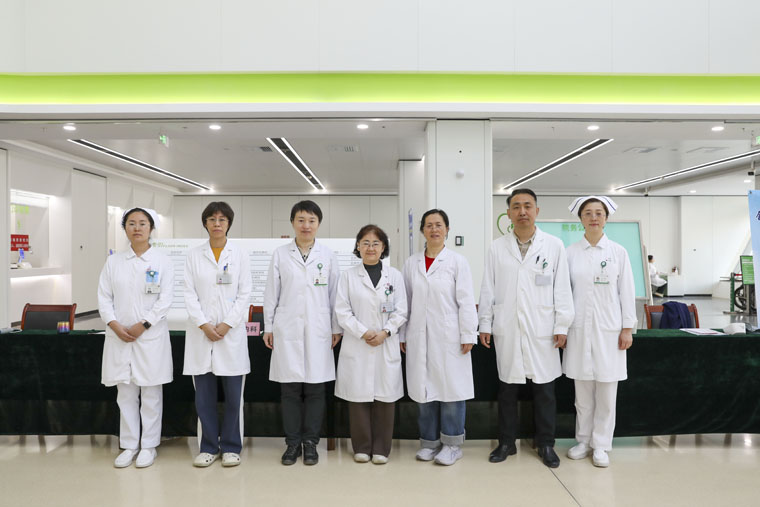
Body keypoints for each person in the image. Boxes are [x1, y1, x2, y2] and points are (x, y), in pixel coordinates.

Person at [478, 188, 574, 468]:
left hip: (543, 328)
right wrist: (485, 323)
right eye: (517, 206)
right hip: (507, 327)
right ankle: (507, 443)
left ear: (537, 211)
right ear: (508, 213)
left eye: (528, 206)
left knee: (545, 391)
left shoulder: (553, 246)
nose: (522, 211)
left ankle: (546, 444)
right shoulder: (497, 247)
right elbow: (488, 288)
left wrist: (562, 325)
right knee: (507, 390)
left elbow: (562, 289)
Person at [263, 200, 342, 466]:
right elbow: (271, 293)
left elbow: (335, 295)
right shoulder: (280, 254)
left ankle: (311, 443)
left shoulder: (328, 255)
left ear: (318, 224)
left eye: (311, 220)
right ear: (293, 223)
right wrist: (268, 326)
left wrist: (335, 327)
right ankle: (292, 443)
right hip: (287, 329)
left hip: (319, 329)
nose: (306, 225)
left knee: (316, 390)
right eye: (301, 220)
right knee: (290, 391)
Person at [98, 207, 173, 469]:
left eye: (142, 223)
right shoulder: (114, 262)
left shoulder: (162, 261)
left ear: (151, 228)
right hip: (120, 336)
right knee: (125, 393)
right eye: (131, 223)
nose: (137, 228)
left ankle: (149, 445)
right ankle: (129, 445)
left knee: (151, 393)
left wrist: (145, 324)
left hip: (150, 336)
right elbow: (104, 297)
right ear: (125, 228)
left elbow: (165, 299)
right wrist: (114, 324)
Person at [401, 209, 478, 466]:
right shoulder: (411, 263)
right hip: (419, 336)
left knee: (452, 391)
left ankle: (452, 445)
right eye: (429, 225)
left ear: (447, 229)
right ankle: (429, 443)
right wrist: (403, 334)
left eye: (439, 225)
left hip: (450, 337)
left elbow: (466, 300)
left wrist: (468, 333)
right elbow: (405, 302)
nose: (434, 229)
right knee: (424, 391)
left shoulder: (457, 262)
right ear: (422, 230)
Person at [564, 196, 636, 468]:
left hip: (610, 331)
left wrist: (627, 328)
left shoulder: (618, 252)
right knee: (582, 393)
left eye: (598, 213)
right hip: (578, 330)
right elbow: (564, 294)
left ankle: (602, 445)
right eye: (588, 213)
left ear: (606, 218)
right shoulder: (570, 253)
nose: (593, 217)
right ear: (580, 219)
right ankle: (583, 440)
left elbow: (626, 291)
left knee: (606, 392)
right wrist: (562, 327)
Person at [184, 202, 252, 468]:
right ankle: (209, 447)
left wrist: (227, 324)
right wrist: (204, 324)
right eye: (212, 219)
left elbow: (245, 293)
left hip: (230, 336)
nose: (217, 224)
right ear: (205, 223)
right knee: (204, 399)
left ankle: (232, 447)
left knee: (234, 398)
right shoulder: (194, 255)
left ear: (228, 224)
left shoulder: (240, 255)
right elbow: (188, 293)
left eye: (222, 219)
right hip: (201, 336)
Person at [334, 225, 408, 464]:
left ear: (383, 247)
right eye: (365, 243)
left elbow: (401, 310)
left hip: (386, 342)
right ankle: (362, 447)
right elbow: (342, 311)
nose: (370, 248)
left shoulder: (394, 276)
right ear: (358, 246)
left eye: (376, 243)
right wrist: (364, 332)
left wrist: (386, 332)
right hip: (358, 343)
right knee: (358, 398)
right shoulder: (348, 276)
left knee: (385, 398)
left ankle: (381, 449)